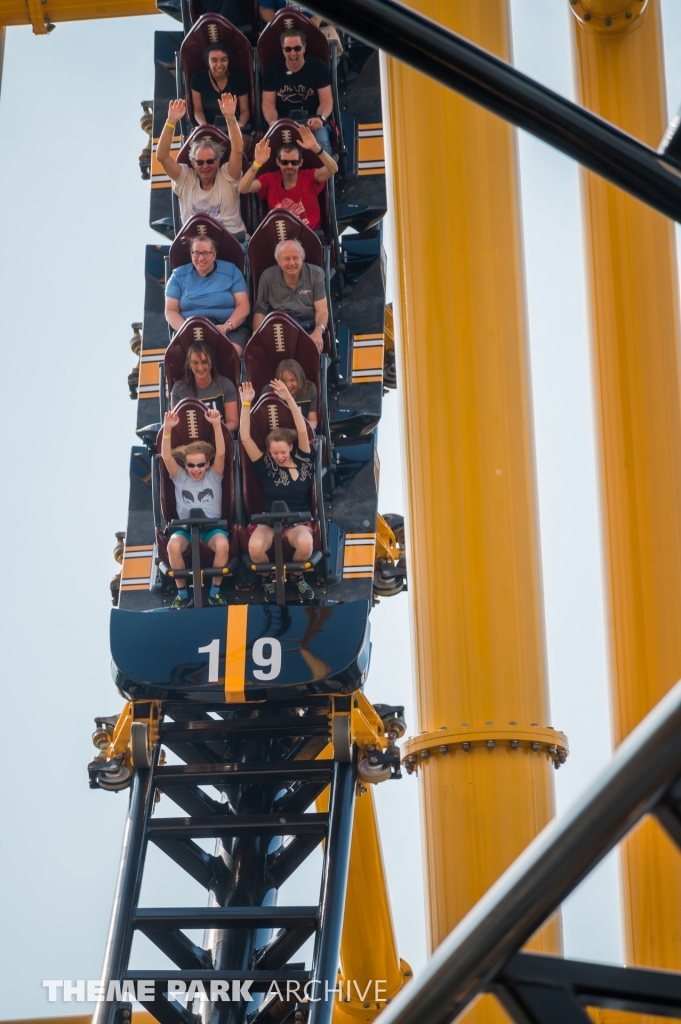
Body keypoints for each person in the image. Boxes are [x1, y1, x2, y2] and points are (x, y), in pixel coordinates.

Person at [239, 378, 315, 603]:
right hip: (269, 523)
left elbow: (302, 431)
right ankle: (268, 580)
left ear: (291, 447)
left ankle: (297, 577)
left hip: (297, 522)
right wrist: (245, 404)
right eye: (275, 453)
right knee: (254, 548)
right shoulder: (267, 466)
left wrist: (288, 398)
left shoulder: (304, 460)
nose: (279, 457)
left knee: (305, 545)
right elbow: (244, 438)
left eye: (283, 452)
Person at [161, 407, 229, 609]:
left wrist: (216, 425)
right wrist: (167, 430)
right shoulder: (180, 477)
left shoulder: (213, 475)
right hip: (186, 529)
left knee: (223, 545)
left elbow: (222, 453)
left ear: (207, 464)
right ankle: (183, 593)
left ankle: (215, 592)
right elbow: (166, 457)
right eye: (191, 465)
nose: (196, 470)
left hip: (211, 528)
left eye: (200, 465)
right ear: (185, 465)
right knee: (173, 545)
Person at [158, 97, 247, 239]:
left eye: (210, 161)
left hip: (230, 241)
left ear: (218, 162)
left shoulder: (227, 175)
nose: (205, 166)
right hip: (196, 248)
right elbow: (162, 157)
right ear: (193, 163)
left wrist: (230, 118)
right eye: (200, 162)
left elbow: (237, 150)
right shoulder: (186, 178)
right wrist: (171, 122)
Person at [238, 129, 337, 233]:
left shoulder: (310, 176)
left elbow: (333, 169)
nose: (289, 166)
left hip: (310, 236)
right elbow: (243, 188)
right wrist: (257, 163)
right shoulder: (270, 179)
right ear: (278, 162)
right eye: (285, 162)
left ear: (301, 162)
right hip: (281, 240)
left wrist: (316, 148)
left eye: (294, 162)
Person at [165, 235, 250, 355]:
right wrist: (186, 329)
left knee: (229, 355)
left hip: (228, 329)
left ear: (214, 254)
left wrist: (227, 326)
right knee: (185, 357)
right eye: (196, 253)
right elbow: (170, 311)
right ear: (191, 254)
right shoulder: (177, 276)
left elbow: (243, 306)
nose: (201, 258)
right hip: (192, 331)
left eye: (206, 253)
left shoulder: (231, 271)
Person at [262, 28, 333, 155]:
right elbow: (268, 103)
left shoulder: (318, 67)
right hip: (283, 121)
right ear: (282, 49)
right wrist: (273, 123)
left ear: (304, 47)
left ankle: (327, 174)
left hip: (311, 121)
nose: (293, 53)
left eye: (297, 48)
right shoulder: (271, 69)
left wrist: (320, 118)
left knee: (321, 142)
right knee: (268, 149)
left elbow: (327, 100)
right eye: (288, 49)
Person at [252, 239, 327, 353]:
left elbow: (322, 310)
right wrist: (259, 336)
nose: (292, 263)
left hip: (308, 328)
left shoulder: (316, 274)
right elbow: (260, 312)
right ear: (278, 261)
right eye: (286, 259)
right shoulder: (267, 277)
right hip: (279, 330)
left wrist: (318, 332)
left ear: (302, 258)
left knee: (312, 350)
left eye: (295, 258)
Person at [171, 341, 239, 429]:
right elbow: (175, 425)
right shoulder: (178, 389)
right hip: (192, 442)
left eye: (204, 362)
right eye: (195, 363)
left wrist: (215, 433)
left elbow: (233, 422)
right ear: (189, 364)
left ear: (211, 363)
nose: (200, 367)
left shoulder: (226, 385)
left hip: (220, 439)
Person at [190, 43, 250, 138]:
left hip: (236, 127)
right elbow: (198, 110)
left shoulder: (239, 79)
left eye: (223, 60)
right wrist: (204, 127)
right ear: (207, 62)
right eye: (214, 60)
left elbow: (245, 111)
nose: (219, 65)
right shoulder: (197, 79)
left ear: (228, 61)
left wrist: (239, 126)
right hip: (209, 128)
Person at [261, 359, 318, 428]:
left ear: (300, 379)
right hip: (276, 435)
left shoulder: (310, 389)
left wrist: (300, 433)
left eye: (293, 380)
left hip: (302, 434)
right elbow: (263, 423)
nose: (288, 385)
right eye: (283, 381)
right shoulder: (268, 391)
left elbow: (313, 421)